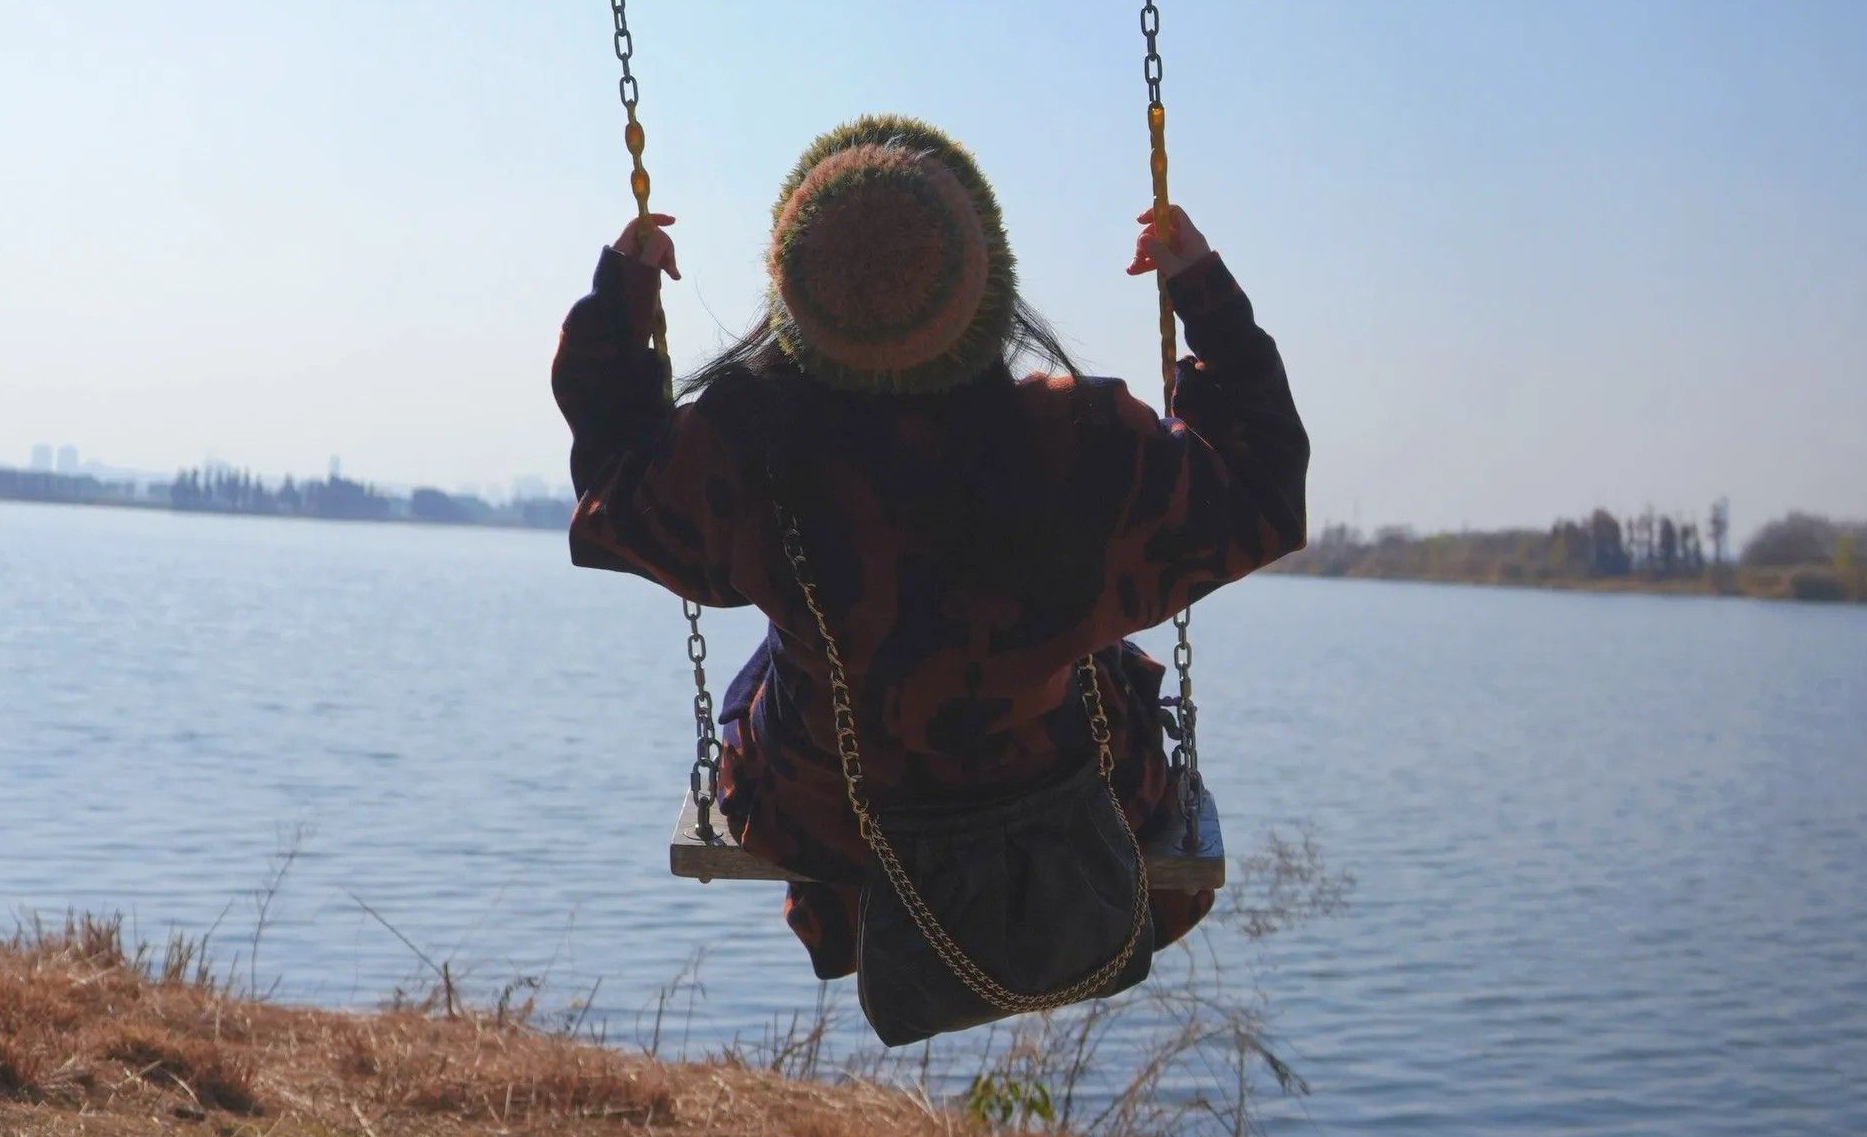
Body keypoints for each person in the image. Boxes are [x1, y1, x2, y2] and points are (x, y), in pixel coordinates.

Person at [552, 112, 1308, 981]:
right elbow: (1258, 492)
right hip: (1067, 798)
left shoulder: (745, 446)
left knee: (775, 666)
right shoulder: (1079, 442)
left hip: (832, 818)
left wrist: (621, 305)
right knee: (1098, 653)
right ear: (986, 285)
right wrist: (1203, 295)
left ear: (796, 300)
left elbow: (615, 489)